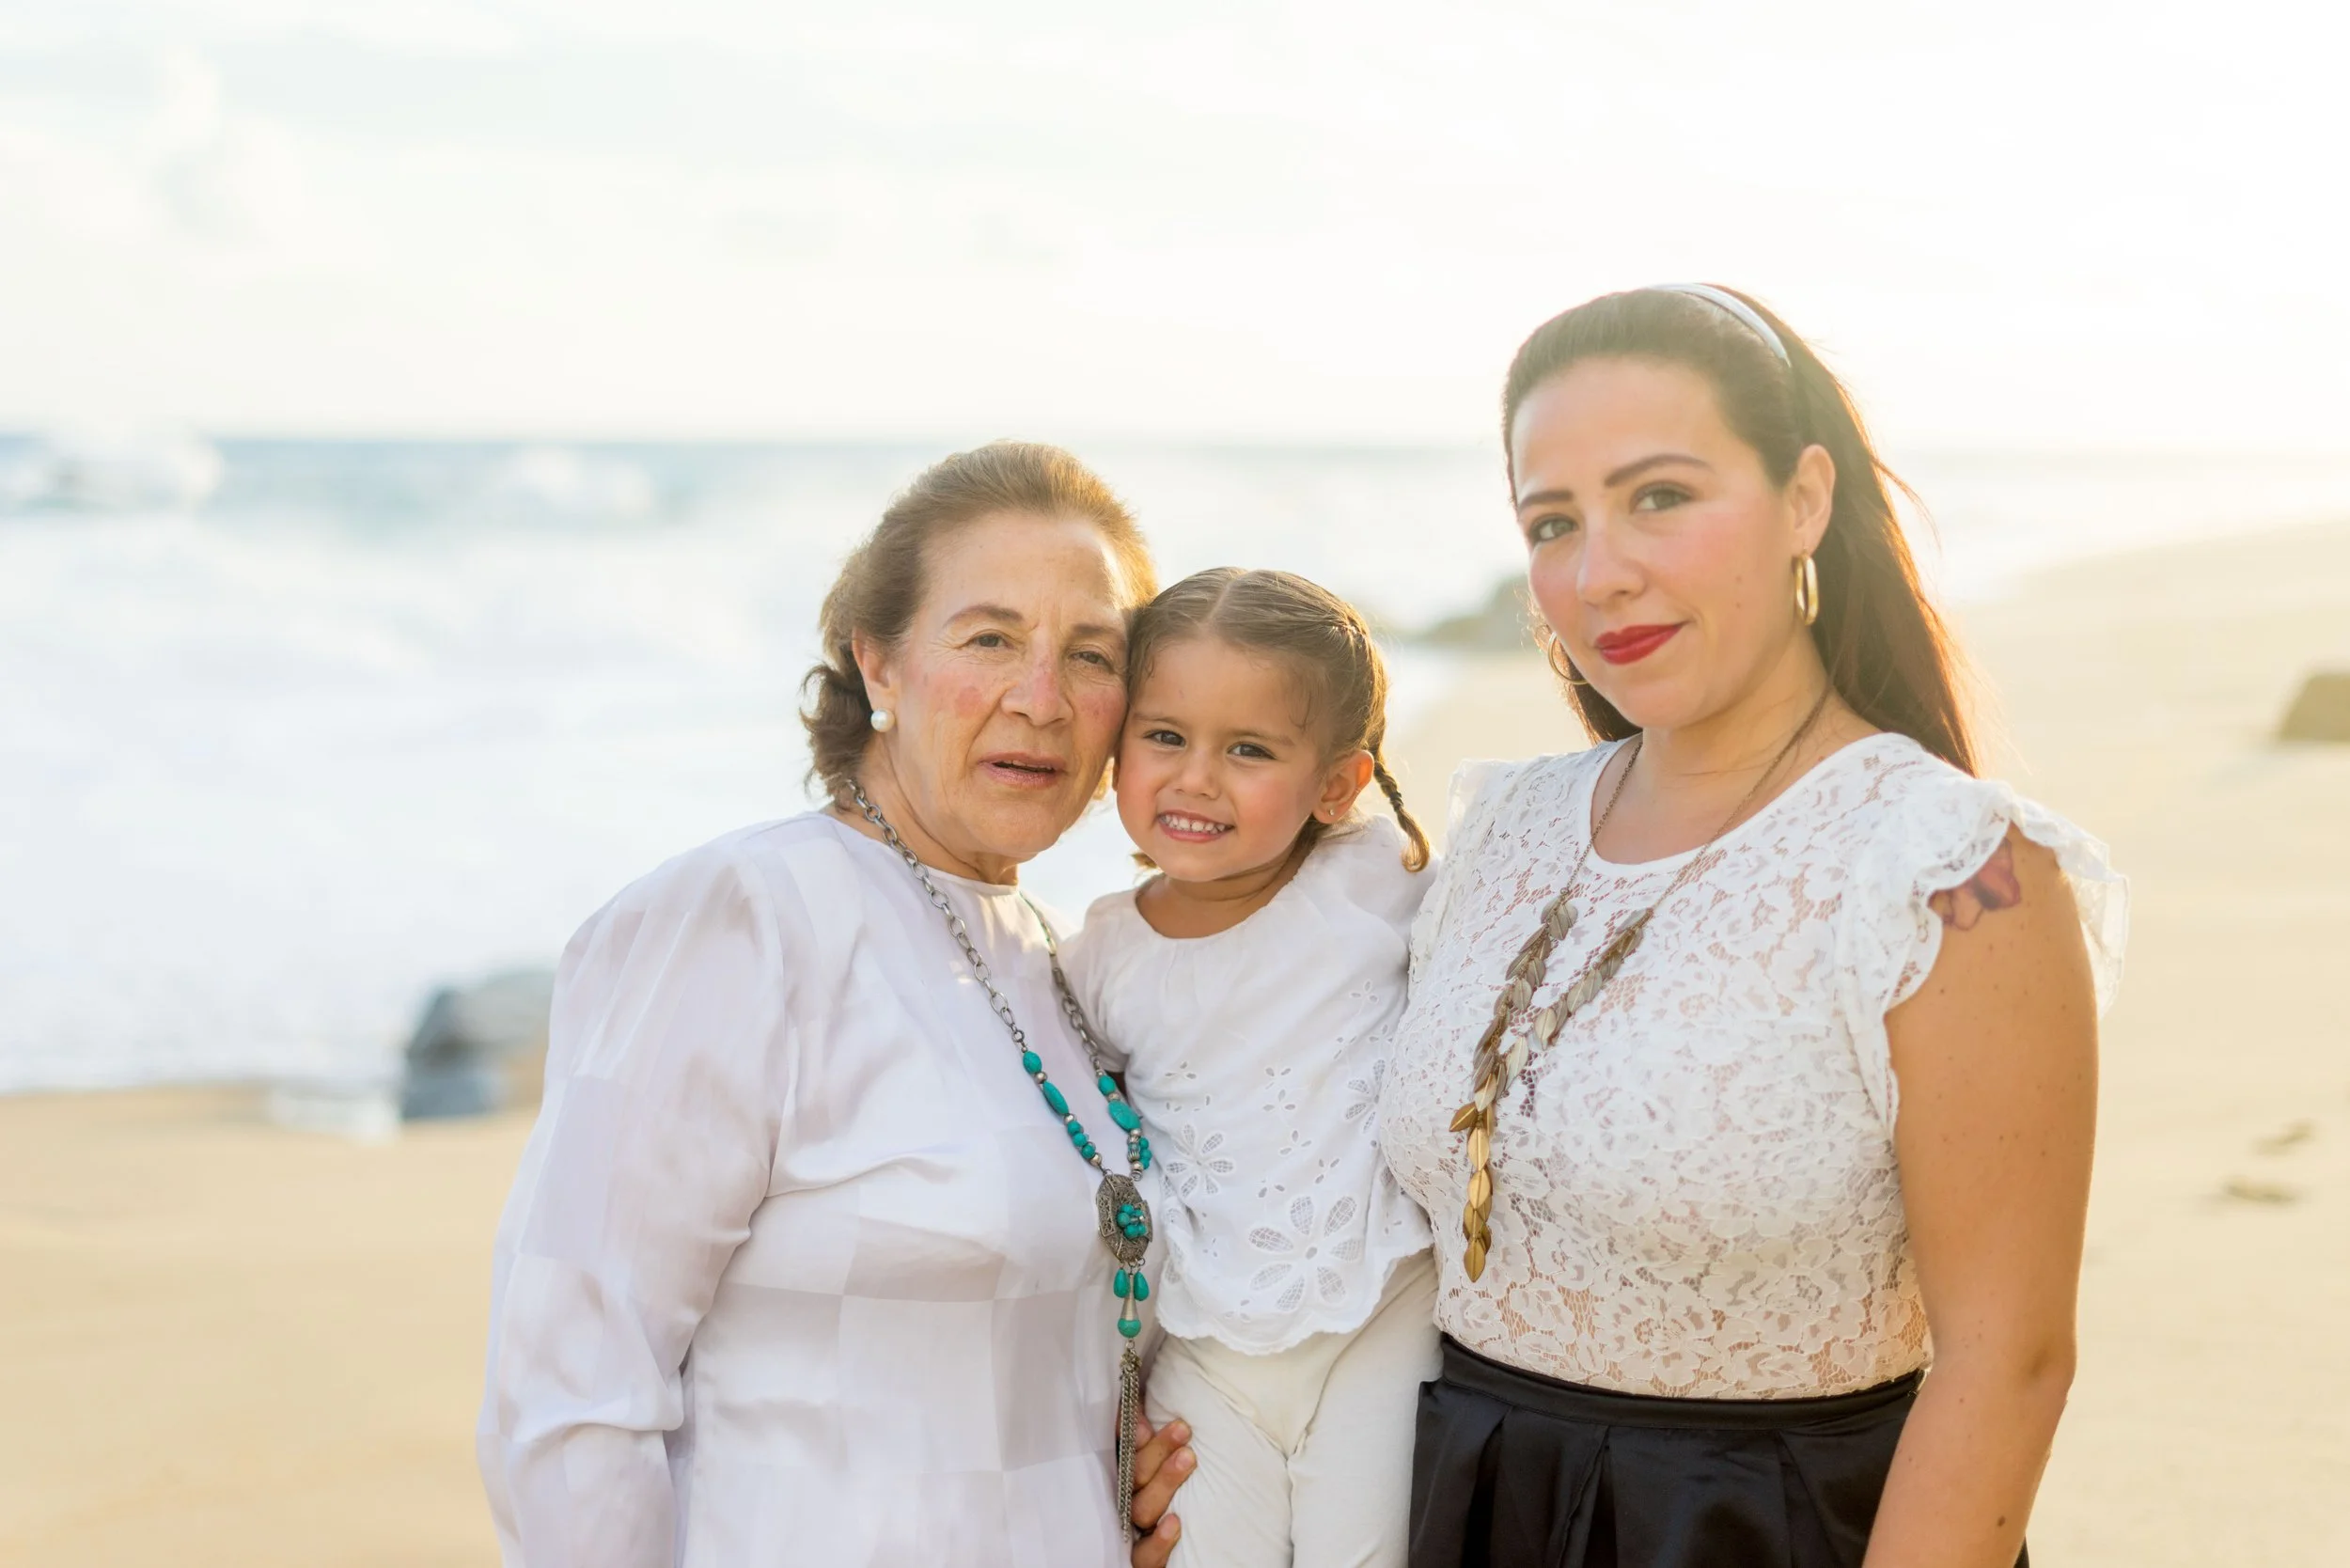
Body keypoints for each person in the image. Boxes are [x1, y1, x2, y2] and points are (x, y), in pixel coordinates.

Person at [1377, 286, 2129, 1568]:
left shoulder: (1952, 870)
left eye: (1659, 496)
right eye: (1551, 522)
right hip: (1467, 1508)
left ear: (1805, 500)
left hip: (1760, 1531)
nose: (1597, 570)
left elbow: (2010, 1362)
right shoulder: (1502, 823)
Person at [477, 442, 1197, 1567]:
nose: (1041, 699)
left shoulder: (1070, 961)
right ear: (880, 663)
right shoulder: (741, 917)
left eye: (1090, 654)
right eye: (990, 638)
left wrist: (1115, 1475)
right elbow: (571, 1390)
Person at [1062, 569, 1442, 1568]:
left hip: (1377, 1310)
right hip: (1203, 1345)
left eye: (1248, 749)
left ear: (1336, 784)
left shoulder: (1367, 884)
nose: (1195, 777)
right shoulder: (1097, 958)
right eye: (1165, 736)